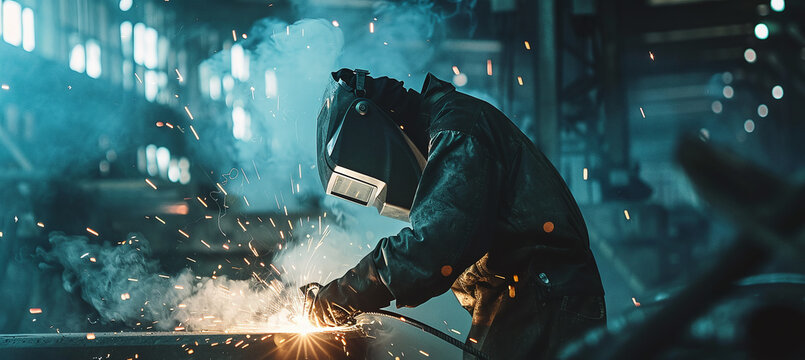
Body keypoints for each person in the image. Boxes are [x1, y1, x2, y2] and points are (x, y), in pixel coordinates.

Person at [303, 68, 605, 359]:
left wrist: (344, 296)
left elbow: (433, 246)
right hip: (525, 300)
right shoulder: (450, 127)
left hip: (541, 302)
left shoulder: (458, 131)